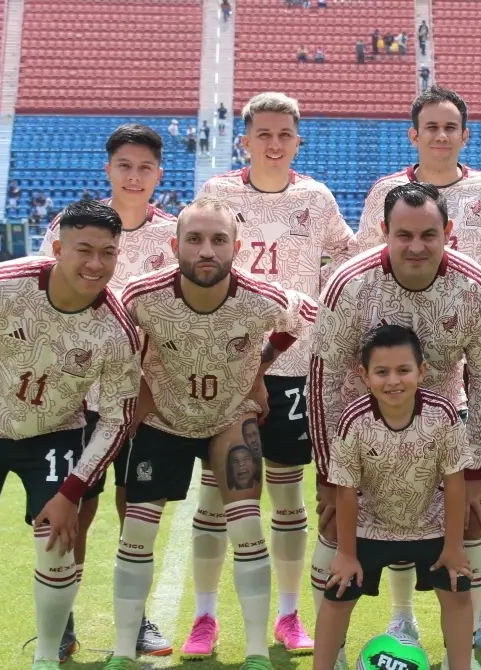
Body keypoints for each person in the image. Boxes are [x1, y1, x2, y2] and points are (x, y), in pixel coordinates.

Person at [103, 196, 317, 670]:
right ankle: (121, 651)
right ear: (175, 244)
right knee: (136, 531)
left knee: (245, 527)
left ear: (236, 247)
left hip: (229, 417)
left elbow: (307, 316)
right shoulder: (142, 295)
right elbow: (111, 335)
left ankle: (258, 651)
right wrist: (137, 381)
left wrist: (261, 366)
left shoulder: (262, 296)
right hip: (164, 421)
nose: (206, 251)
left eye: (218, 240)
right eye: (195, 239)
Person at [0, 200, 141, 670]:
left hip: (55, 434)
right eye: (84, 250)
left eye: (108, 253)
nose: (95, 264)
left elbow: (117, 418)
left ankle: (47, 657)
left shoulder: (117, 327)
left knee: (55, 542)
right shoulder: (3, 284)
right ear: (59, 247)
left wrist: (73, 490)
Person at [183, 91, 356, 659]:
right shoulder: (218, 194)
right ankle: (204, 618)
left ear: (297, 141)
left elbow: (346, 257)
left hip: (293, 368)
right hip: (228, 368)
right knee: (216, 496)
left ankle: (288, 615)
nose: (274, 143)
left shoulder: (316, 196)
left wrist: (311, 300)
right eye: (264, 134)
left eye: (284, 134)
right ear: (246, 140)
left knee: (287, 496)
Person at [309, 182, 481, 670]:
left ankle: (471, 637)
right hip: (364, 432)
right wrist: (330, 477)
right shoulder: (349, 285)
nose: (416, 246)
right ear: (384, 232)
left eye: (428, 234)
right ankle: (337, 651)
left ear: (449, 233)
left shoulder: (475, 288)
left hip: (444, 431)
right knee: (336, 545)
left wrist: (476, 470)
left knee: (470, 528)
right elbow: (323, 381)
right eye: (404, 234)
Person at [351, 84, 481, 652]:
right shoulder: (385, 191)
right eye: (430, 127)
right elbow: (365, 264)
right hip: (392, 375)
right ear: (413, 135)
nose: (441, 136)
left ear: (465, 135)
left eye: (451, 127)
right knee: (393, 502)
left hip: (458, 371)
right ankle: (401, 618)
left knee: (472, 504)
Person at [38, 123, 177, 661]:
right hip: (78, 396)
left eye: (145, 168)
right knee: (78, 508)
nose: (134, 176)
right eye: (125, 166)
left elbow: (173, 317)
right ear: (108, 170)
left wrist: (150, 382)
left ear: (158, 174)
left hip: (143, 398)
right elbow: (47, 298)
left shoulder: (173, 233)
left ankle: (136, 618)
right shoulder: (72, 224)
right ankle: (63, 620)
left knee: (135, 508)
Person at [313, 325, 474, 670]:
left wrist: (454, 546)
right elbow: (346, 489)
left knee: (458, 588)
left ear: (422, 371)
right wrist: (346, 553)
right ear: (365, 374)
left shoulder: (443, 415)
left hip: (429, 524)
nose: (393, 381)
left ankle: (461, 664)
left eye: (404, 370)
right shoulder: (354, 421)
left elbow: (455, 482)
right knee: (338, 591)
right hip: (371, 525)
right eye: (381, 372)